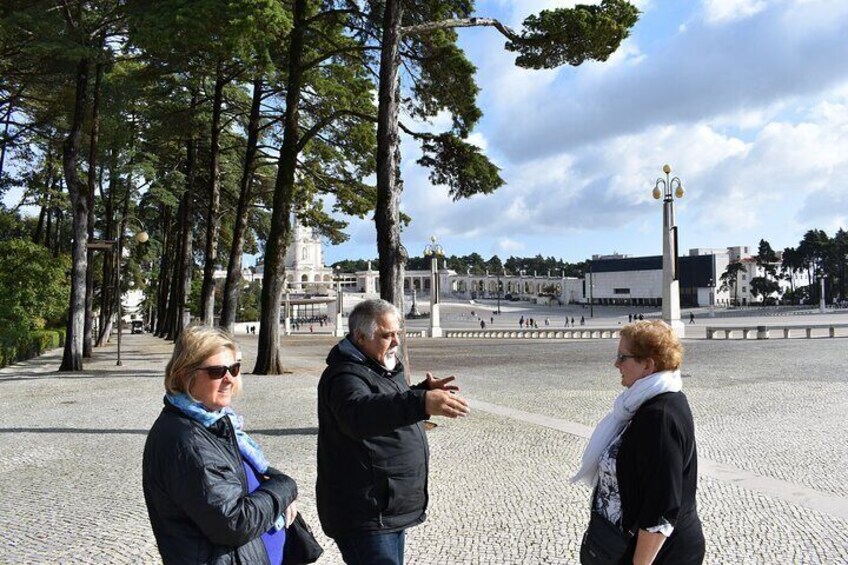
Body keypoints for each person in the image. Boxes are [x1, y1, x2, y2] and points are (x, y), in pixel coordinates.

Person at [317, 299, 469, 564]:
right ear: (361, 337)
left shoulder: (380, 368)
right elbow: (358, 414)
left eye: (398, 333)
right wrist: (420, 402)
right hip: (365, 512)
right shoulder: (344, 375)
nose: (396, 342)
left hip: (386, 506)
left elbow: (384, 401)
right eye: (387, 335)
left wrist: (420, 390)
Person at [143, 326, 299, 565]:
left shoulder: (214, 421)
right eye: (217, 371)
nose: (229, 379)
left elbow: (243, 467)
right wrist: (286, 487)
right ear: (186, 376)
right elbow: (234, 522)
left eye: (234, 369)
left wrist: (276, 481)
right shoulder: (186, 441)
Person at [573, 321, 704, 564]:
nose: (616, 364)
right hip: (620, 541)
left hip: (657, 555)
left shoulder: (660, 417)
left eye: (623, 357)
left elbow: (661, 509)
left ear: (648, 365)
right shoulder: (640, 403)